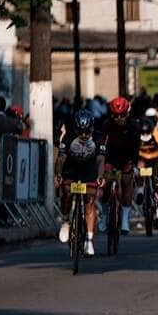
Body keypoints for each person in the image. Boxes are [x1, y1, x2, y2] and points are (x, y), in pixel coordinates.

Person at [55, 109, 105, 256]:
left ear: (92, 128)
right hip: (71, 169)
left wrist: (100, 176)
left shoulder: (98, 138)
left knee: (89, 203)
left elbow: (100, 160)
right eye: (80, 132)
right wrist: (58, 173)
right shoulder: (68, 136)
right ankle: (65, 220)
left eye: (87, 132)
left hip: (89, 171)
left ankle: (89, 241)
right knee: (66, 193)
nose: (84, 135)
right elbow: (61, 158)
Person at [100, 97, 138, 234]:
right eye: (116, 116)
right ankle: (104, 215)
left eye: (122, 115)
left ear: (127, 113)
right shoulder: (106, 125)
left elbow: (136, 147)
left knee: (127, 182)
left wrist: (133, 164)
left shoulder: (133, 126)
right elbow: (102, 144)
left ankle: (124, 220)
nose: (119, 118)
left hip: (126, 158)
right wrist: (103, 162)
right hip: (110, 158)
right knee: (107, 183)